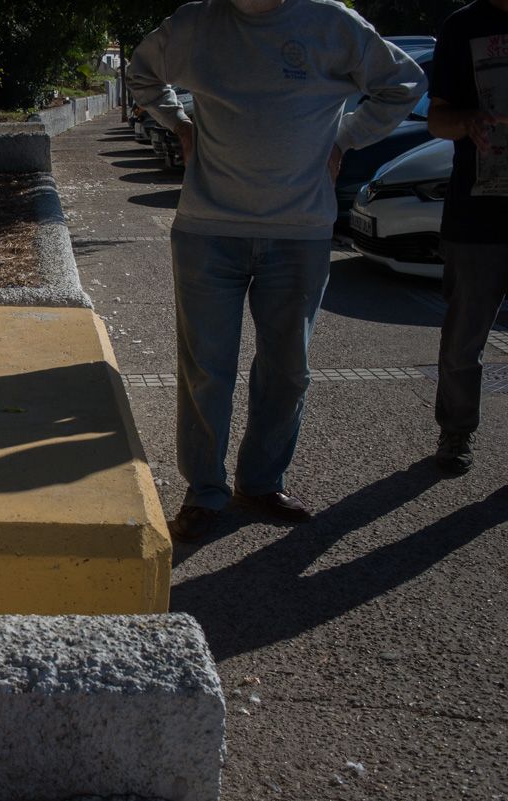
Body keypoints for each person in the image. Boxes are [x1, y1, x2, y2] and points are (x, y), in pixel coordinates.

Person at [126, 0, 425, 541]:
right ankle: (206, 491)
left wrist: (345, 136)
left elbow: (404, 83)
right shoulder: (195, 24)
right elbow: (141, 73)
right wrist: (178, 123)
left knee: (288, 370)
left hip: (301, 231)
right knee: (206, 372)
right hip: (207, 230)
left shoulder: (333, 24)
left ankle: (261, 483)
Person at [427, 0, 508, 476]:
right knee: (463, 341)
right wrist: (468, 122)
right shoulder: (462, 25)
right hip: (476, 215)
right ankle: (456, 430)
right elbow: (438, 120)